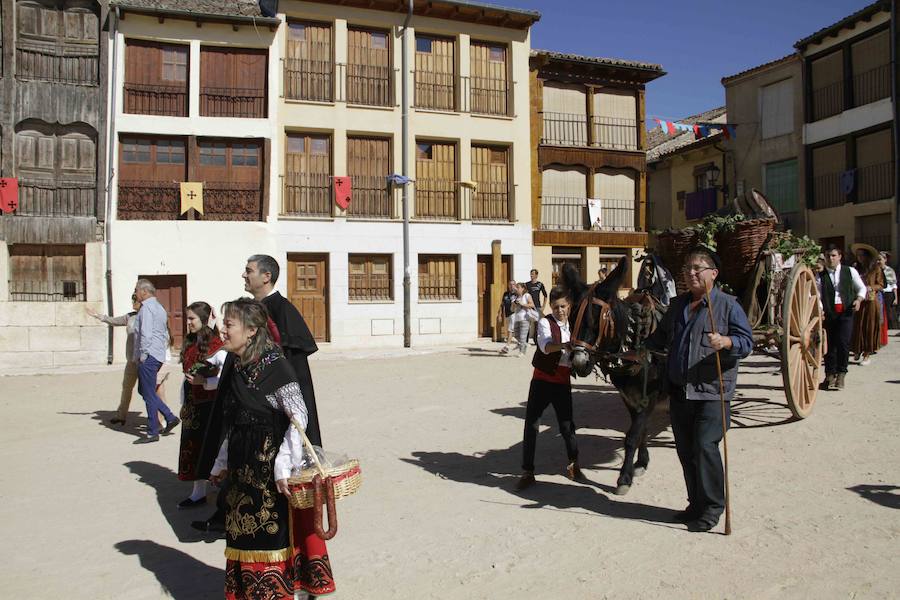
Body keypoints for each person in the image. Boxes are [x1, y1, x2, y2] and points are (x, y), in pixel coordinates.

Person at [209, 298, 335, 599]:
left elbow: (298, 417)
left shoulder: (275, 365)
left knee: (270, 533)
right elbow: (235, 420)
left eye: (229, 324)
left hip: (269, 470)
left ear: (251, 330)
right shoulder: (239, 366)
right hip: (242, 467)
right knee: (241, 530)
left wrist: (283, 465)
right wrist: (221, 461)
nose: (222, 330)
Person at [646, 246, 753, 532]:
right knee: (685, 450)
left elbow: (747, 342)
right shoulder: (678, 305)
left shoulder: (728, 305)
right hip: (681, 392)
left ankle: (713, 508)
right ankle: (695, 504)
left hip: (712, 392)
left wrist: (728, 343)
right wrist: (635, 352)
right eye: (687, 269)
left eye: (697, 268)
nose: (690, 273)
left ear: (713, 274)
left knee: (705, 446)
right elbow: (659, 339)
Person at [244, 255, 323, 447]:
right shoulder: (249, 309)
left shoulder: (282, 309)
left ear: (266, 276)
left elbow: (291, 363)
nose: (243, 275)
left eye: (249, 271)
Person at [515, 287, 581, 490]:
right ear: (551, 307)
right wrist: (565, 345)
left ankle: (573, 463)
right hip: (542, 382)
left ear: (569, 305)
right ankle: (527, 472)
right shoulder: (545, 322)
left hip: (562, 383)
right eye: (556, 307)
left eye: (563, 306)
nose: (560, 310)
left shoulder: (576, 326)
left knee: (567, 427)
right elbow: (545, 346)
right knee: (532, 426)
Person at [177, 301, 228, 509]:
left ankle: (217, 489)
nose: (188, 322)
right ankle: (198, 492)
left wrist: (204, 382)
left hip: (211, 406)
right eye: (187, 318)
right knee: (193, 449)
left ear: (204, 320)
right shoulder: (190, 342)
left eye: (192, 319)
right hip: (193, 406)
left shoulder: (217, 345)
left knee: (213, 449)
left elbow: (226, 377)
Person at [132, 279, 180, 444]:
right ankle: (169, 417)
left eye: (137, 290)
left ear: (144, 291)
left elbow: (145, 334)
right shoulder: (159, 307)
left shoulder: (147, 308)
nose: (135, 294)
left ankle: (153, 431)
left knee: (148, 393)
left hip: (149, 355)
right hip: (157, 354)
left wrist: (143, 355)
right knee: (145, 390)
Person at [88, 294, 142, 425]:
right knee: (126, 387)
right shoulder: (130, 316)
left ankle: (160, 419)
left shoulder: (149, 317)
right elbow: (114, 321)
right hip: (131, 360)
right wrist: (99, 316)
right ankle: (121, 415)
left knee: (150, 391)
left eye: (135, 300)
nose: (132, 303)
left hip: (145, 360)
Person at [816, 245, 865, 390]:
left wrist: (859, 299)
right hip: (829, 313)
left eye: (833, 256)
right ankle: (829, 375)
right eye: (828, 256)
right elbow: (816, 295)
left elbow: (861, 288)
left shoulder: (850, 271)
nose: (830, 259)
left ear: (839, 257)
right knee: (829, 346)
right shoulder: (820, 275)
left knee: (843, 343)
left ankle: (842, 374)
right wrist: (820, 309)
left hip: (846, 312)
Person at [850, 243, 884, 365]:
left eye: (861, 255)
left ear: (867, 256)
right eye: (857, 255)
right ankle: (857, 349)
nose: (859, 257)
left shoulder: (876, 268)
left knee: (869, 327)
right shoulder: (855, 268)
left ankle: (867, 354)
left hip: (870, 301)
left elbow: (880, 285)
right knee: (858, 326)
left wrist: (870, 287)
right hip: (858, 300)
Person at [502, 282, 537, 357]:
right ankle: (521, 344)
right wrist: (514, 304)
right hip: (517, 319)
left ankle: (522, 352)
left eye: (518, 287)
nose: (516, 289)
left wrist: (522, 304)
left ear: (523, 288)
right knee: (516, 335)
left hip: (525, 319)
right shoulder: (515, 298)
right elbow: (512, 309)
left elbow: (532, 305)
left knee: (523, 336)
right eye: (516, 287)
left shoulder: (527, 296)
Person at [525, 269, 548, 343]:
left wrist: (543, 306)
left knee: (537, 324)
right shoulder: (527, 284)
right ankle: (525, 341)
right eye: (530, 274)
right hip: (529, 306)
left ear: (536, 275)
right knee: (527, 323)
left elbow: (545, 295)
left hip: (537, 307)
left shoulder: (540, 284)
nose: (531, 275)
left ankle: (536, 341)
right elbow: (524, 295)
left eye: (533, 274)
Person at [496, 280, 517, 348]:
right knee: (510, 329)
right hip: (507, 314)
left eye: (513, 284)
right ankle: (522, 342)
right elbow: (502, 305)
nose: (511, 286)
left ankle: (507, 346)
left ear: (515, 285)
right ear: (508, 285)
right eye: (510, 284)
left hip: (514, 313)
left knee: (510, 330)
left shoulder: (516, 294)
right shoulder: (505, 294)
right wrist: (499, 315)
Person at [881, 252, 898, 329]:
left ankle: (892, 327)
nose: (879, 261)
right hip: (880, 292)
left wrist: (896, 297)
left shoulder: (890, 270)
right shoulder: (876, 270)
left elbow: (894, 285)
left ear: (885, 260)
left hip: (888, 293)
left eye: (880, 259)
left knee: (890, 312)